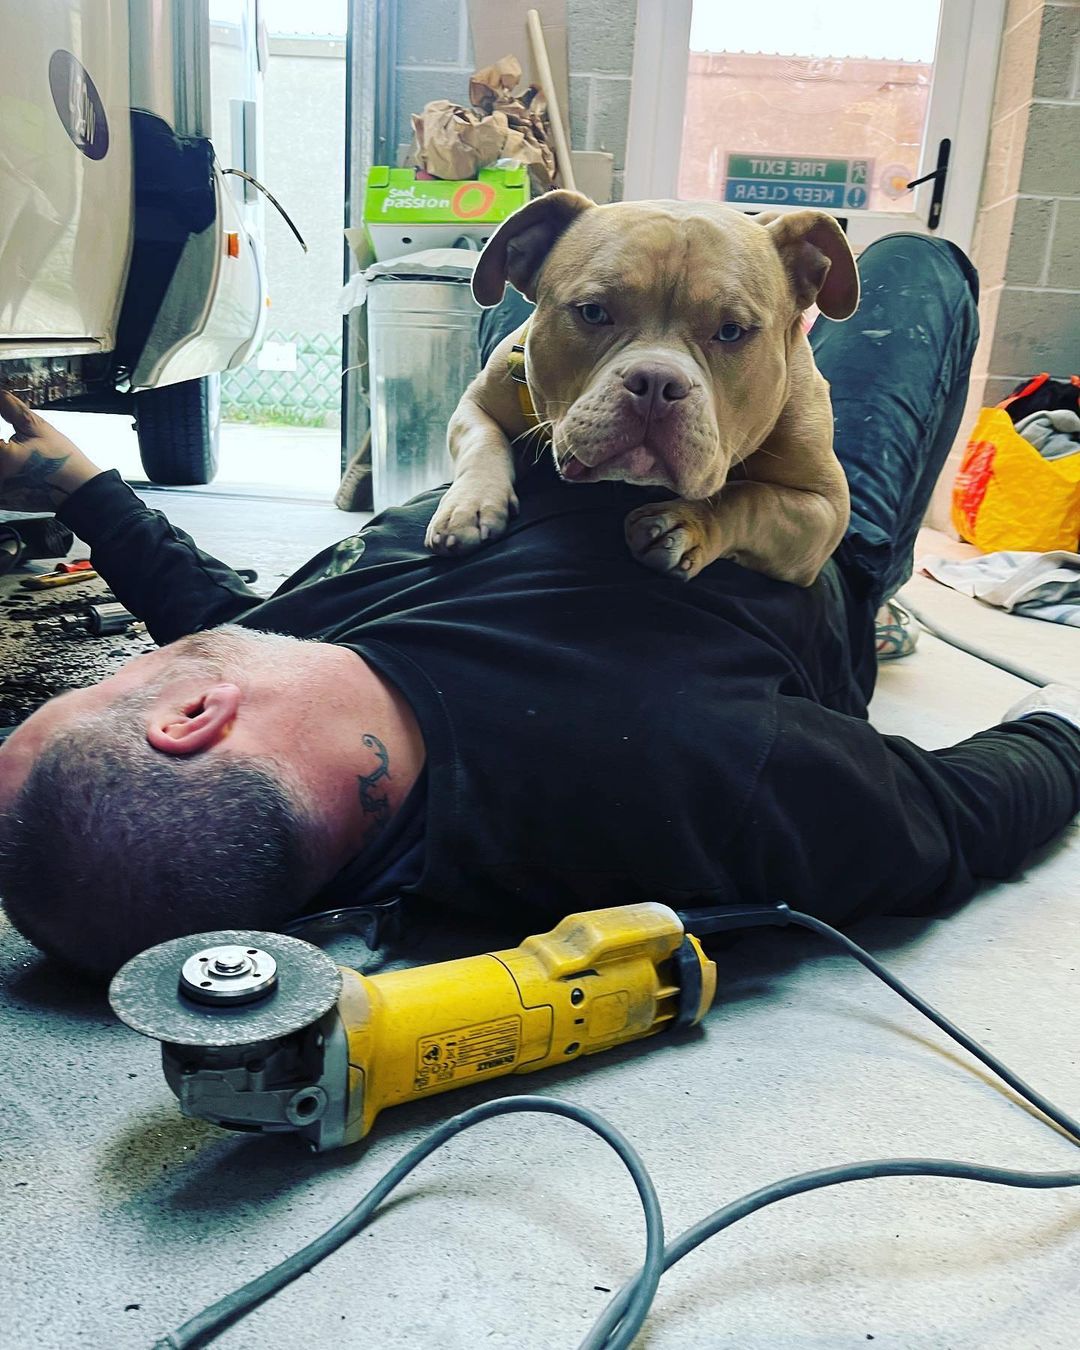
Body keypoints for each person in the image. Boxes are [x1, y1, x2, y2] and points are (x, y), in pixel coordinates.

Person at [1, 234, 1078, 978]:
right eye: (133, 678)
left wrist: (87, 492)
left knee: (557, 309)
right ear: (196, 714)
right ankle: (874, 601)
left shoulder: (302, 676)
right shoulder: (700, 774)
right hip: (784, 525)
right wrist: (1066, 725)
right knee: (908, 268)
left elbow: (214, 610)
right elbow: (950, 817)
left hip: (544, 452)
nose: (160, 652)